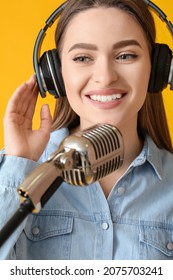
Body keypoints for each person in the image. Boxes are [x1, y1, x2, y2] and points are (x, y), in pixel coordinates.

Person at [0, 0, 173, 260]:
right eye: (83, 58)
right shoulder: (12, 174)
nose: (105, 77)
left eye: (125, 55)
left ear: (158, 69)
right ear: (55, 74)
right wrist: (19, 165)